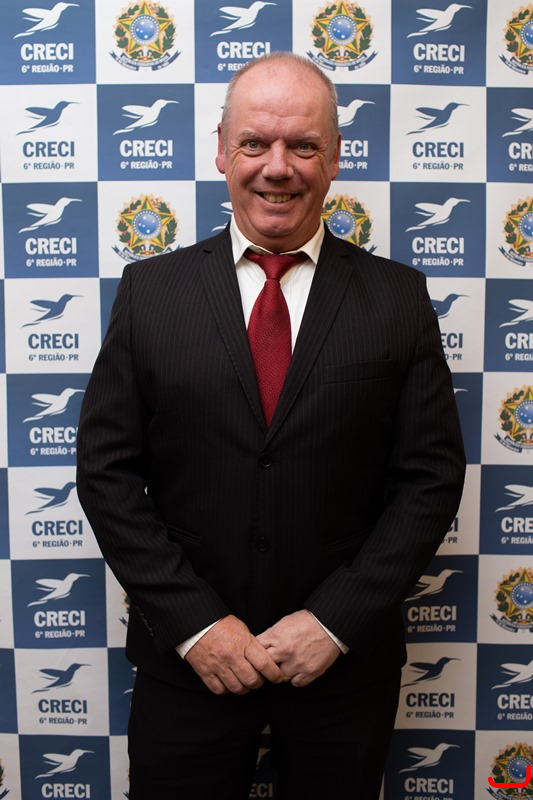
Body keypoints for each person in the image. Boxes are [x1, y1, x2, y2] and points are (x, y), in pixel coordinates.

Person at [77, 52, 465, 799]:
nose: (277, 167)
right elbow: (106, 473)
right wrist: (196, 625)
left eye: (303, 145)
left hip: (342, 671)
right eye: (255, 143)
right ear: (221, 150)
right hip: (188, 666)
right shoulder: (151, 293)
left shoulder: (397, 299)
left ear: (335, 156)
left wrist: (334, 622)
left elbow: (429, 480)